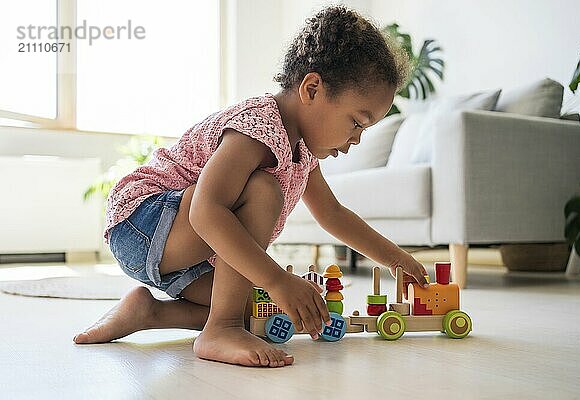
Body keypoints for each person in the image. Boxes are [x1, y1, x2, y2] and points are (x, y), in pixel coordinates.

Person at [73, 5, 429, 368]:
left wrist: (394, 259)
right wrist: (276, 277)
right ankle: (220, 329)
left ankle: (147, 312)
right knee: (264, 190)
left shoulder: (302, 150)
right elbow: (206, 210)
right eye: (356, 123)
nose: (356, 140)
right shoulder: (258, 127)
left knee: (261, 311)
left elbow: (333, 214)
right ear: (312, 88)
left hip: (177, 246)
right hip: (142, 221)